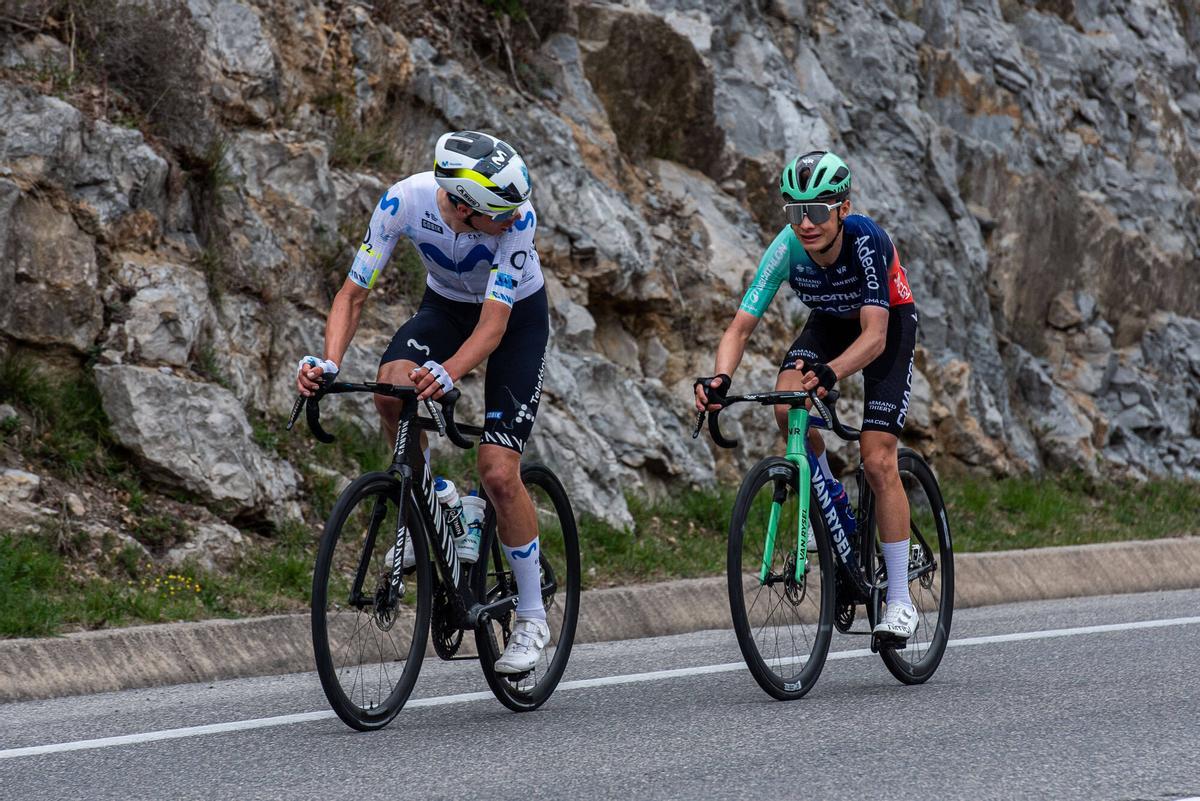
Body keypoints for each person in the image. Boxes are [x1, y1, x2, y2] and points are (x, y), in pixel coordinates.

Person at [296, 130, 551, 673]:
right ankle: (435, 502)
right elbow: (352, 295)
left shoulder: (519, 221)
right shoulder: (404, 201)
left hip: (515, 323)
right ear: (464, 207)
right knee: (391, 390)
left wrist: (448, 371)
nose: (514, 217)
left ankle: (532, 616)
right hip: (445, 307)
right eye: (501, 212)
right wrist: (330, 362)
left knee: (498, 471)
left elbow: (493, 327)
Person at [694, 150, 921, 640]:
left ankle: (901, 601)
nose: (806, 223)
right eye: (795, 211)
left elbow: (875, 337)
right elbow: (740, 328)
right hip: (830, 324)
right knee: (786, 403)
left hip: (884, 324)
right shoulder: (786, 248)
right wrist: (720, 379)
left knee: (877, 458)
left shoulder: (866, 240)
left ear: (843, 208)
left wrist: (832, 372)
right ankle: (831, 499)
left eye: (817, 210)